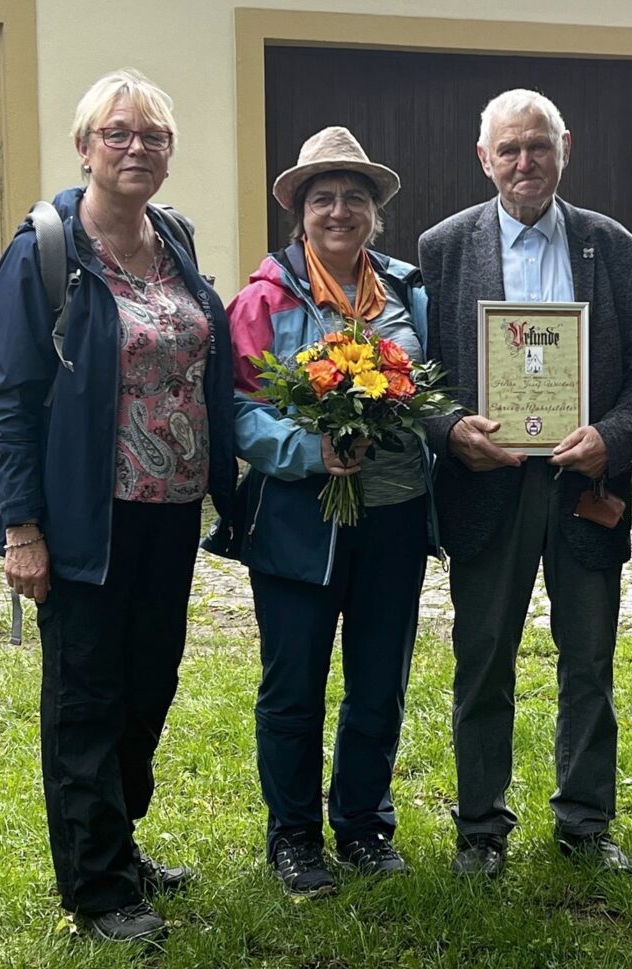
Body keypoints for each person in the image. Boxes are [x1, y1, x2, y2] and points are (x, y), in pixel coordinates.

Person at [0, 69, 236, 942]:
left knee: (148, 683)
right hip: (87, 516)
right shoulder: (45, 249)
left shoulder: (176, 239)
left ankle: (116, 842)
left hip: (170, 514)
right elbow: (9, 399)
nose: (137, 148)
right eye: (118, 134)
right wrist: (22, 529)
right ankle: (97, 887)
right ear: (85, 145)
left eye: (153, 136)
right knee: (86, 697)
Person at [418, 89, 632, 877]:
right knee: (483, 657)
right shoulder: (443, 248)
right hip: (488, 487)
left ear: (566, 149)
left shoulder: (616, 249)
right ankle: (481, 825)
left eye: (539, 147)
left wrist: (612, 438)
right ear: (483, 157)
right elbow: (420, 376)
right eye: (509, 149)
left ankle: (584, 821)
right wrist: (453, 428)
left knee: (588, 659)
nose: (526, 163)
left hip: (583, 483)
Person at [211, 126, 433, 896]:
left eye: (355, 198)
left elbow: (430, 389)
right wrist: (311, 451)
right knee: (294, 681)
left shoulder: (407, 292)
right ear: (299, 214)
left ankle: (366, 823)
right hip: (299, 521)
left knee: (380, 677)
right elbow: (235, 413)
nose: (340, 211)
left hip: (397, 512)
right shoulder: (263, 299)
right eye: (323, 198)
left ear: (375, 213)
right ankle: (296, 834)